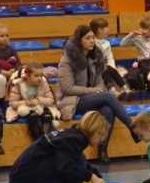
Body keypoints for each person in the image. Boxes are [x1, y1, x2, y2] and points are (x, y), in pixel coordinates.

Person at [57, 25, 140, 163]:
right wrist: (93, 91)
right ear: (79, 40)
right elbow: (67, 89)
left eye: (93, 38)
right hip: (70, 101)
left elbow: (100, 82)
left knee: (108, 109)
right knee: (107, 96)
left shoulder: (95, 57)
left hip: (91, 98)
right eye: (87, 38)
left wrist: (97, 90)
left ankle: (102, 149)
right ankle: (132, 127)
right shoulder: (67, 60)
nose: (92, 41)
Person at [9, 110, 110, 183]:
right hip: (25, 180)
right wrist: (90, 176)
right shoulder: (75, 140)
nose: (102, 140)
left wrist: (95, 174)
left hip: (20, 178)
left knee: (78, 162)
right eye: (101, 135)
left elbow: (72, 160)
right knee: (74, 167)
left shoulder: (72, 135)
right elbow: (66, 167)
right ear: (94, 130)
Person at [7, 60, 56, 140]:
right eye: (36, 76)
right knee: (33, 116)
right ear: (27, 76)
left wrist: (38, 100)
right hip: (26, 108)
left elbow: (51, 100)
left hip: (40, 106)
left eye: (41, 75)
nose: (39, 78)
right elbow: (13, 103)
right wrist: (26, 102)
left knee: (47, 116)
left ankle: (45, 138)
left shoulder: (43, 83)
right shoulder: (19, 84)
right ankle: (37, 140)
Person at [87, 17, 131, 100]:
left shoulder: (106, 43)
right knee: (105, 68)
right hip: (93, 68)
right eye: (106, 28)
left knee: (111, 69)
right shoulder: (91, 43)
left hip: (104, 67)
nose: (108, 30)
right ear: (100, 30)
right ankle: (112, 90)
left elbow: (110, 58)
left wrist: (113, 68)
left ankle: (125, 88)